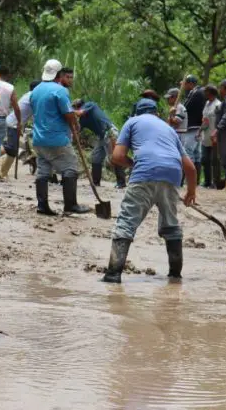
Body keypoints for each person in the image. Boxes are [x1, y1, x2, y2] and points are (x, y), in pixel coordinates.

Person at [101, 101, 197, 283]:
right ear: (157, 114)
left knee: (126, 223)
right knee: (171, 224)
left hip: (144, 173)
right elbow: (190, 168)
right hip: (172, 174)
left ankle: (113, 274)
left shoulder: (132, 122)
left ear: (136, 113)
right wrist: (191, 192)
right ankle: (175, 275)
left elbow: (117, 156)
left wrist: (133, 164)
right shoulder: (169, 129)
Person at [31, 60, 90, 215]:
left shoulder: (36, 90)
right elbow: (68, 113)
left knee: (43, 171)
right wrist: (75, 126)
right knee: (70, 167)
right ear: (59, 75)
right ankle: (70, 205)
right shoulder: (59, 90)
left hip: (38, 138)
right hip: (56, 138)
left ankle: (42, 205)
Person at [73, 99, 127, 189]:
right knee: (95, 157)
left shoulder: (90, 105)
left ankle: (121, 182)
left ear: (79, 106)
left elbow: (79, 113)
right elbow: (77, 130)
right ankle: (96, 182)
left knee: (113, 157)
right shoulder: (83, 120)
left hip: (110, 132)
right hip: (101, 136)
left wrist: (68, 111)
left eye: (74, 108)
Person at [0, 80, 37, 180]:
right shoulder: (33, 97)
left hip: (14, 123)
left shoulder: (29, 95)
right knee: (12, 148)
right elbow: (35, 116)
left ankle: (3, 172)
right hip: (13, 124)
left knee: (13, 148)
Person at [0, 65, 19, 181]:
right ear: (8, 75)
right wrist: (20, 121)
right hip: (2, 118)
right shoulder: (10, 87)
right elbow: (16, 107)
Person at [181, 75, 206, 180]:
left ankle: (189, 179)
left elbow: (185, 107)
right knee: (197, 155)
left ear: (191, 84)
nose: (184, 86)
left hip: (193, 127)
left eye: (185, 84)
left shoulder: (196, 93)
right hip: (198, 127)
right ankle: (195, 181)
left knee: (188, 152)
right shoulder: (198, 92)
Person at [200, 85, 221, 188]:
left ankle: (215, 182)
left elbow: (220, 121)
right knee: (204, 159)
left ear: (211, 93)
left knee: (215, 160)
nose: (204, 94)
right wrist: (199, 131)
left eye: (206, 92)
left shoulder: (218, 105)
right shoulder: (207, 103)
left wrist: (217, 134)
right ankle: (207, 181)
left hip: (214, 137)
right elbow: (205, 119)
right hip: (205, 136)